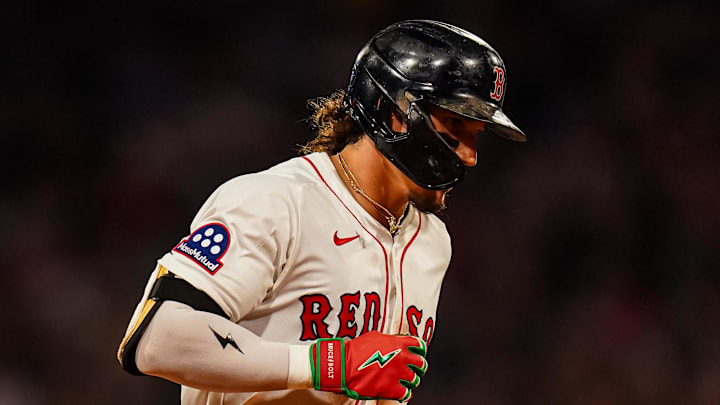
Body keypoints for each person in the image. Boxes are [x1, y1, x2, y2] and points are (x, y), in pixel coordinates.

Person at [117, 19, 526, 404]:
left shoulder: (431, 242)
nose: (470, 156)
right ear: (391, 114)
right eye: (455, 127)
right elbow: (159, 339)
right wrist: (328, 364)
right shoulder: (276, 202)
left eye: (475, 136)